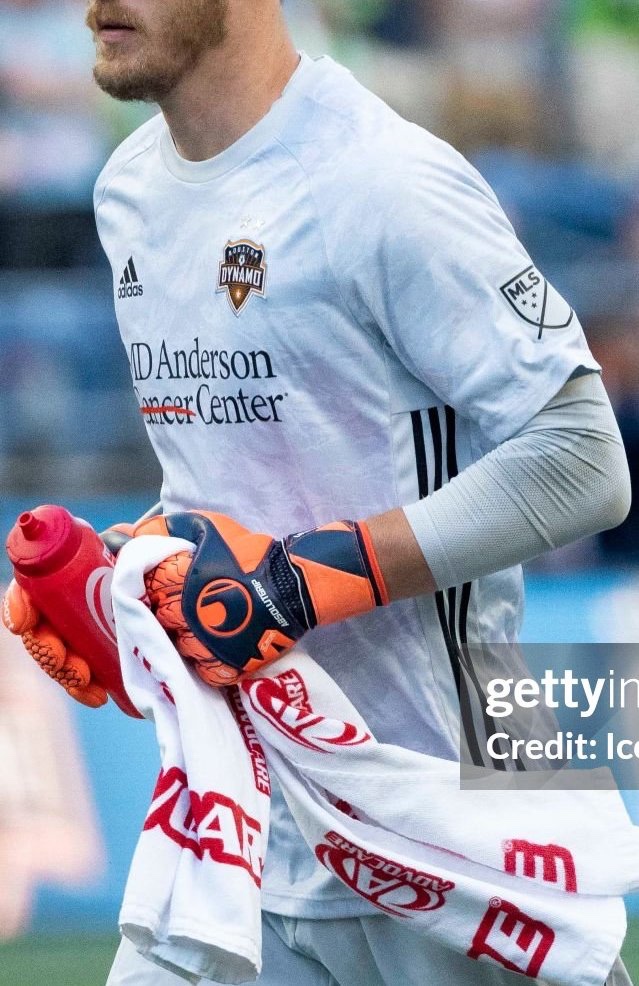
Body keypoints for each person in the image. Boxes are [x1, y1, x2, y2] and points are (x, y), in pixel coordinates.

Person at [3, 1, 634, 983]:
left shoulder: (387, 181)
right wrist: (134, 580)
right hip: (249, 827)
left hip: (454, 825)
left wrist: (300, 583)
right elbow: (222, 486)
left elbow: (584, 457)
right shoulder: (126, 187)